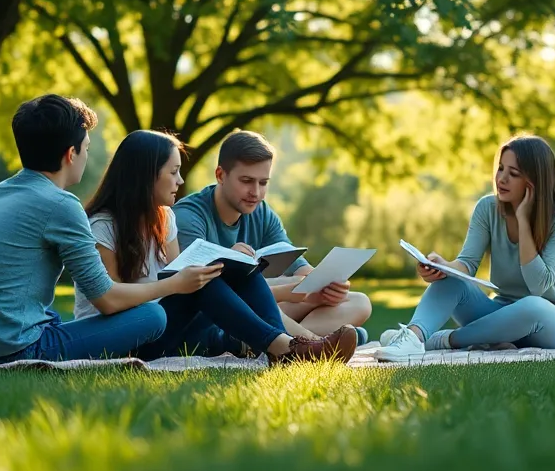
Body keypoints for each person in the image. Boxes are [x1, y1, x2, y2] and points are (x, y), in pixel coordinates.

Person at [0, 94, 219, 364]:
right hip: (12, 350)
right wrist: (174, 284)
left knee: (51, 316)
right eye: (87, 148)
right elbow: (106, 299)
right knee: (152, 317)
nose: (86, 156)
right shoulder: (60, 204)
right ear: (72, 153)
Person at [72, 129, 358, 365]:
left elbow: (175, 278)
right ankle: (287, 348)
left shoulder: (164, 218)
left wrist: (206, 271)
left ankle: (284, 347)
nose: (180, 181)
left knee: (241, 271)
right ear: (147, 175)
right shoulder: (104, 227)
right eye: (173, 172)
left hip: (166, 328)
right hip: (125, 338)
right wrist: (180, 283)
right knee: (204, 282)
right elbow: (110, 302)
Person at [374, 134, 555, 361]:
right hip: (499, 317)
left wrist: (524, 221)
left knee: (533, 306)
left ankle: (443, 340)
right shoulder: (487, 208)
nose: (501, 179)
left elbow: (539, 285)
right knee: (452, 279)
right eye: (501, 168)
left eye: (513, 174)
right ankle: (413, 338)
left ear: (535, 182)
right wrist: (443, 268)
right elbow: (467, 264)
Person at [173, 130, 374, 351]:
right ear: (220, 175)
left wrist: (328, 286)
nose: (256, 193)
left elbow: (302, 271)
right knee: (262, 298)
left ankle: (294, 343)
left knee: (359, 302)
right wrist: (291, 290)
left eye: (263, 183)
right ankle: (312, 344)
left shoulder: (262, 213)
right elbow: (203, 289)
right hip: (218, 318)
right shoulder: (189, 216)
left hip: (264, 308)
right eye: (247, 181)